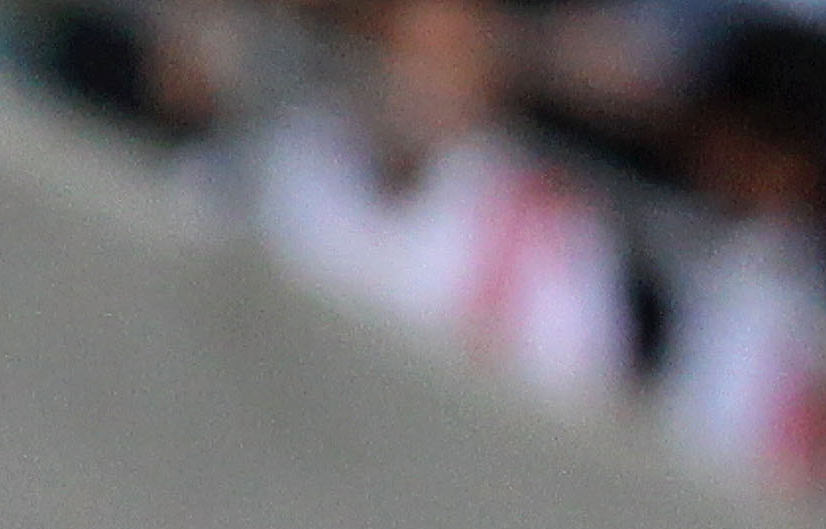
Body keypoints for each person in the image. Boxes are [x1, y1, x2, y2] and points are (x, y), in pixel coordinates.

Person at [245, 0, 636, 409]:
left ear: (487, 79)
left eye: (445, 60)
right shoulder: (294, 155)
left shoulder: (546, 229)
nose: (417, 83)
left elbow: (577, 407)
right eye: (402, 50)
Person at [656, 13, 826, 496]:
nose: (757, 160)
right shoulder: (635, 232)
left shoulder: (813, 306)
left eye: (782, 141)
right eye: (747, 131)